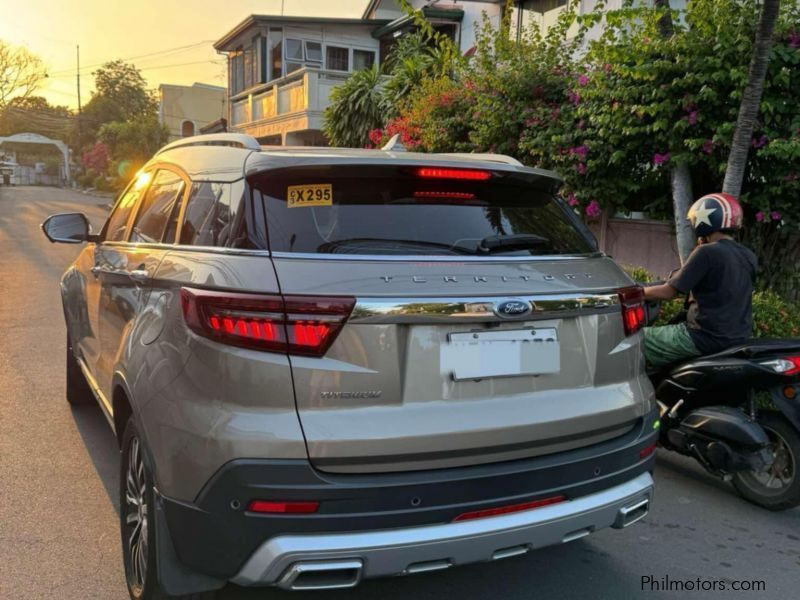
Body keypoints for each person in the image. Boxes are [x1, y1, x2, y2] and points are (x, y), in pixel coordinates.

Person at [643, 193, 757, 369]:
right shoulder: (749, 256)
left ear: (704, 221)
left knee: (633, 341)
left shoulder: (706, 252)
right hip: (736, 338)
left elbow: (668, 292)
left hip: (703, 337)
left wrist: (635, 293)